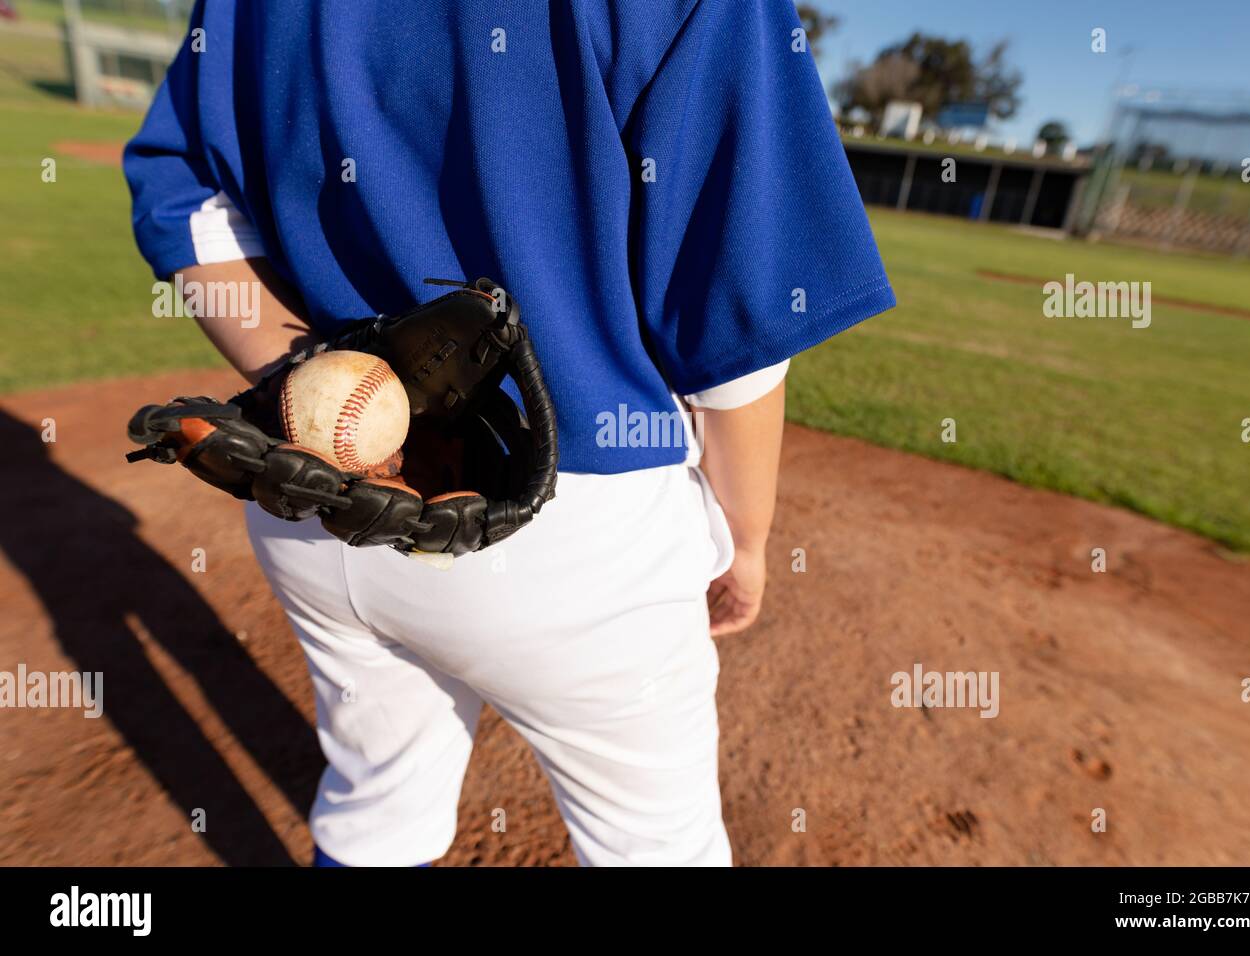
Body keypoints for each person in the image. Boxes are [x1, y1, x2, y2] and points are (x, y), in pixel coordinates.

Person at [123, 0, 894, 867]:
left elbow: (185, 195)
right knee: (656, 843)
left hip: (310, 492)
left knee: (374, 808)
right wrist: (745, 540)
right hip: (575, 522)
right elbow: (737, 321)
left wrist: (304, 380)